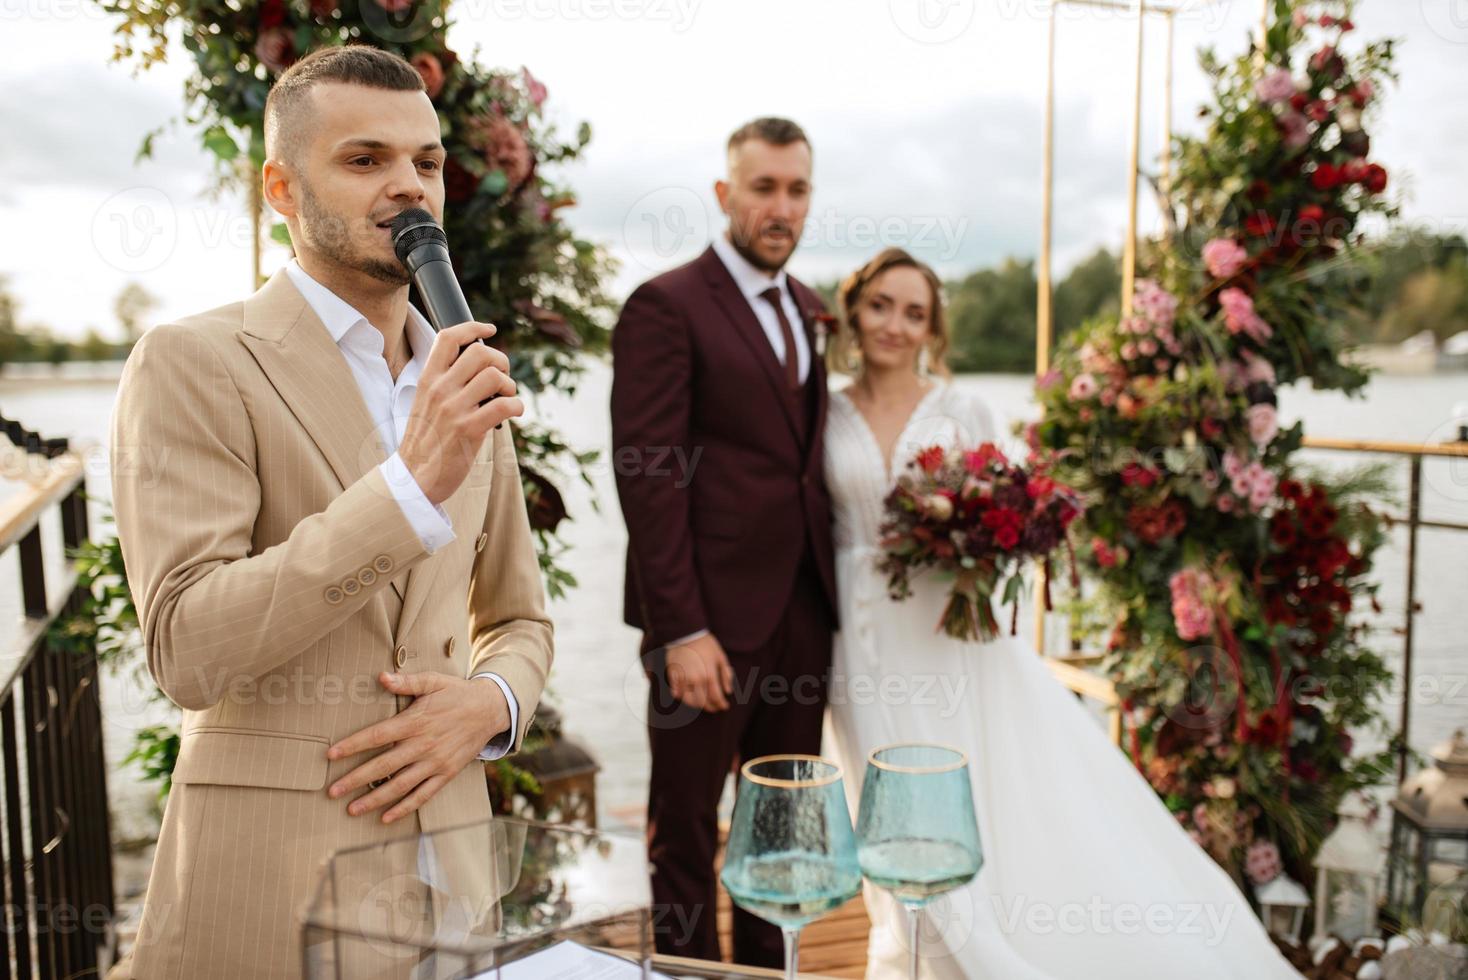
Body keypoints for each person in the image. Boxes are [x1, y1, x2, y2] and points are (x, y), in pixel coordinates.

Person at [110, 46, 553, 980]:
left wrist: (490, 703)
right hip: (270, 886)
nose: (408, 187)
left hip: (453, 879)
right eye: (365, 161)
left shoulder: (463, 373)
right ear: (280, 188)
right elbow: (187, 647)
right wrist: (407, 488)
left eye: (426, 163)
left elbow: (516, 618)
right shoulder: (192, 362)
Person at [822, 248, 1303, 979]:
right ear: (855, 309)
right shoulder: (822, 408)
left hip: (948, 630)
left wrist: (979, 541)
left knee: (969, 785)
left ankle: (980, 942)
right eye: (881, 305)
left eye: (914, 312)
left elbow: (1010, 508)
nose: (894, 324)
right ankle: (904, 946)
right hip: (854, 637)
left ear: (932, 328)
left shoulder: (963, 409)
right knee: (876, 793)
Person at [610, 117, 839, 967]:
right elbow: (649, 476)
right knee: (684, 836)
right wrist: (681, 629)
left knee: (780, 834)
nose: (781, 206)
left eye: (797, 188)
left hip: (802, 613)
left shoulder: (811, 309)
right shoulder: (666, 306)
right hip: (704, 624)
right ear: (725, 195)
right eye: (764, 186)